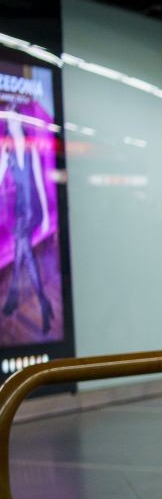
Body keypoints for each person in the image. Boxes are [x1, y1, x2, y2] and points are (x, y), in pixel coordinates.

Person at [0, 103, 52, 335]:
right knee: (25, 254)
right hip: (18, 209)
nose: (10, 124)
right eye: (7, 121)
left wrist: (46, 217)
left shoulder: (30, 146)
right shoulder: (6, 147)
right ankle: (43, 303)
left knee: (26, 253)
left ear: (19, 119)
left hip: (31, 210)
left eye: (13, 119)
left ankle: (36, 302)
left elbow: (40, 180)